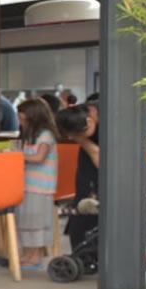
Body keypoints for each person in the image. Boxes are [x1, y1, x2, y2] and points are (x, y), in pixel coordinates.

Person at [14, 98, 59, 268]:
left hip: (40, 187)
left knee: (37, 222)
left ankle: (36, 255)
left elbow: (39, 158)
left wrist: (16, 155)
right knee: (26, 220)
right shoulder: (29, 137)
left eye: (23, 119)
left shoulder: (45, 136)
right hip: (26, 185)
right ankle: (27, 253)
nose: (21, 122)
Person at [56, 101, 100, 249]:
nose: (73, 138)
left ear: (89, 122)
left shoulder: (108, 122)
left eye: (76, 135)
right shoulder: (80, 115)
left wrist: (83, 141)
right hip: (87, 170)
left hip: (103, 170)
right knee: (82, 204)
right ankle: (80, 251)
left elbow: (102, 163)